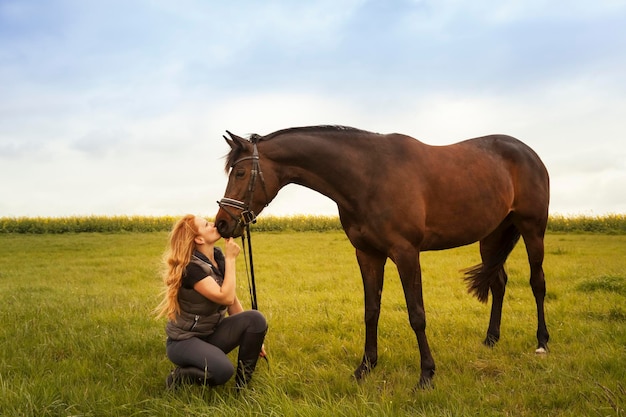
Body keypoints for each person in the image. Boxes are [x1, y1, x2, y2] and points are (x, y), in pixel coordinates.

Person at [156, 214, 267, 389]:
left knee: (255, 319)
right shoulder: (190, 269)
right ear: (199, 239)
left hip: (210, 334)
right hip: (184, 341)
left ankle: (243, 387)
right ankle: (179, 377)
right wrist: (231, 259)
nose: (214, 224)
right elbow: (225, 297)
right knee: (222, 371)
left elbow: (232, 301)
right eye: (207, 225)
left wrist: (255, 337)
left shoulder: (217, 256)